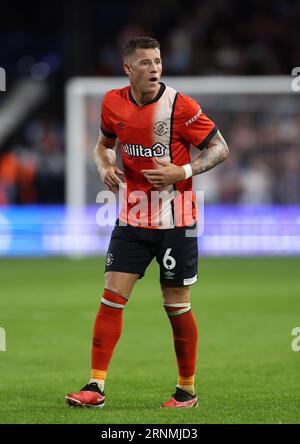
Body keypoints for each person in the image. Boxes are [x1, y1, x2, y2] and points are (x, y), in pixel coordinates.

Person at [65, 36, 229, 409]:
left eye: (157, 61)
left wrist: (182, 170)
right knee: (111, 298)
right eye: (145, 62)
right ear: (128, 69)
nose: (154, 68)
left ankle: (186, 391)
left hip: (178, 221)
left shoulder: (181, 106)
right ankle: (95, 387)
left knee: (176, 306)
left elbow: (221, 148)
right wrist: (105, 166)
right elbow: (103, 146)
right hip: (132, 217)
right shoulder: (112, 104)